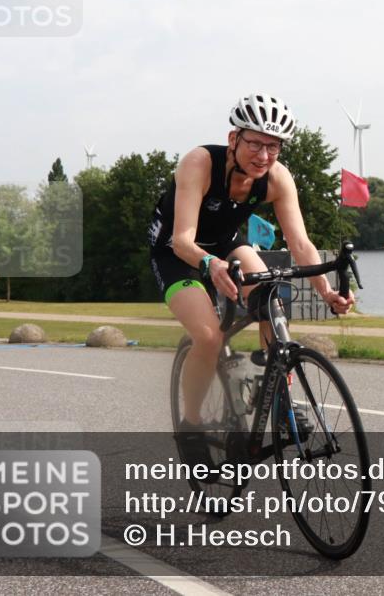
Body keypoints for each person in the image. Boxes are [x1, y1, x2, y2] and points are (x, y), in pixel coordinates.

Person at [149, 93, 354, 470]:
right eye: (255, 143)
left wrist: (326, 291)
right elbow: (182, 240)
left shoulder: (277, 177)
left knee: (270, 298)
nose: (263, 155)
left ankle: (277, 400)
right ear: (233, 139)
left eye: (272, 146)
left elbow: (300, 242)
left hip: (227, 244)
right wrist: (209, 264)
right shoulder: (200, 163)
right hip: (177, 251)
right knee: (209, 337)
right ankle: (191, 426)